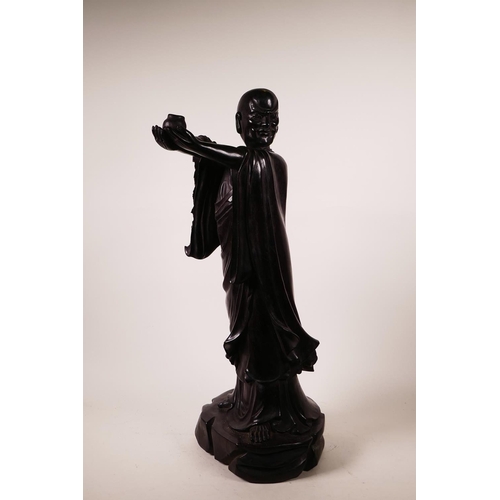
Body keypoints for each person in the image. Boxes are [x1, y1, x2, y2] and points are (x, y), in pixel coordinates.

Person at [153, 89, 320, 442]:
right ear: (239, 122)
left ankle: (267, 414)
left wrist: (184, 142)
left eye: (272, 120)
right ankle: (247, 401)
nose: (265, 126)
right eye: (257, 119)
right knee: (245, 333)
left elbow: (234, 157)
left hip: (267, 271)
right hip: (240, 270)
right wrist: (186, 144)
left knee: (264, 334)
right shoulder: (239, 164)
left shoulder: (270, 164)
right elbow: (225, 158)